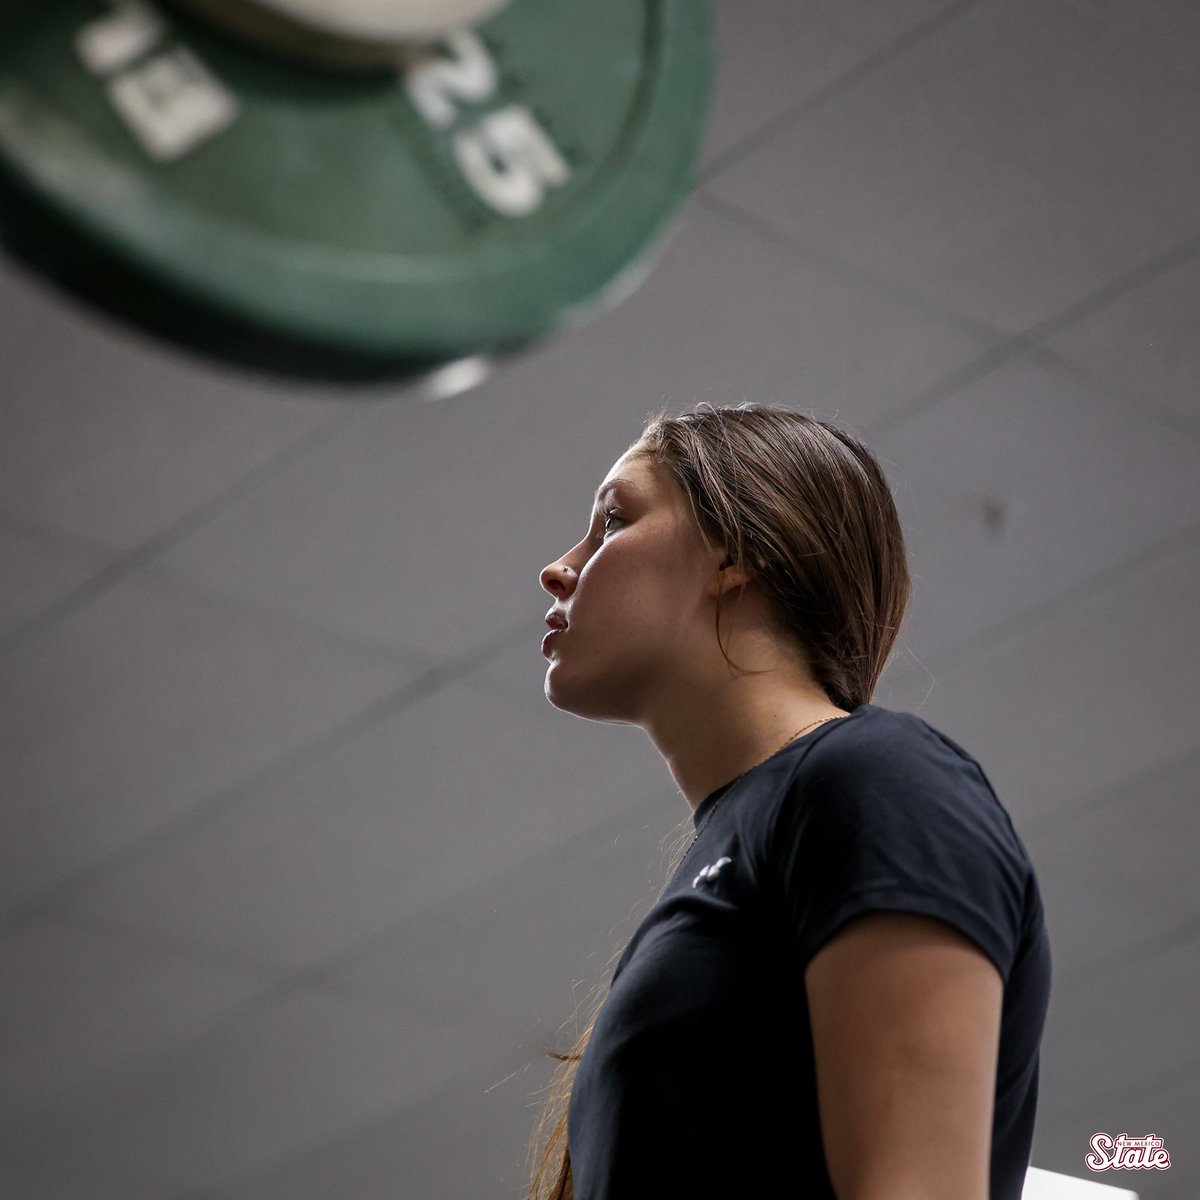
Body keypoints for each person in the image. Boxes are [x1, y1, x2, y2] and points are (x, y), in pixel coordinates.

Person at [527, 402, 1052, 1200]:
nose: (560, 567)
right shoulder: (729, 857)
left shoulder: (876, 777)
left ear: (737, 555)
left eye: (613, 521)